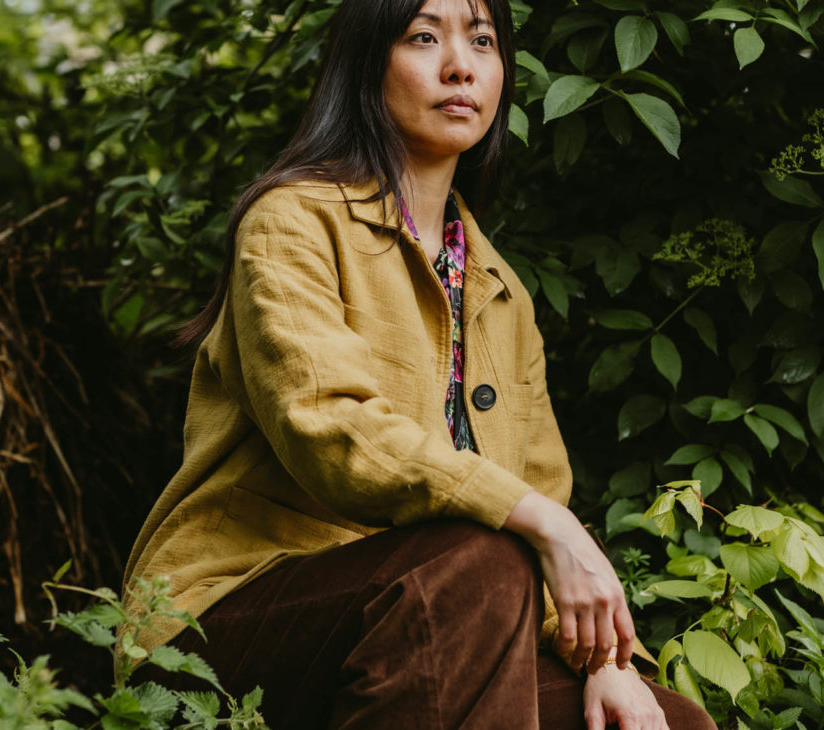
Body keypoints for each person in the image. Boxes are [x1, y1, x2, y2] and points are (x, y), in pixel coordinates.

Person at [123, 1, 718, 728]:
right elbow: (330, 428)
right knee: (478, 562)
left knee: (668, 721)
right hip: (225, 621)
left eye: (483, 40)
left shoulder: (500, 290)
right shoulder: (291, 221)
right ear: (367, 63)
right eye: (425, 37)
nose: (460, 66)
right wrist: (549, 525)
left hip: (444, 616)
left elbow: (540, 486)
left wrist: (606, 660)